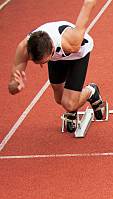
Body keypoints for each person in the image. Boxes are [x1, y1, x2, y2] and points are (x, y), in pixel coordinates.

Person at [8, 0, 106, 133]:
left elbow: (87, 5)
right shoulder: (24, 48)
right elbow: (12, 86)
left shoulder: (73, 41)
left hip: (78, 55)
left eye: (43, 61)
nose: (42, 65)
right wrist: (15, 86)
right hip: (56, 58)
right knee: (60, 99)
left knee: (69, 103)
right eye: (38, 63)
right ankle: (73, 105)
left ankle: (92, 91)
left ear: (52, 48)